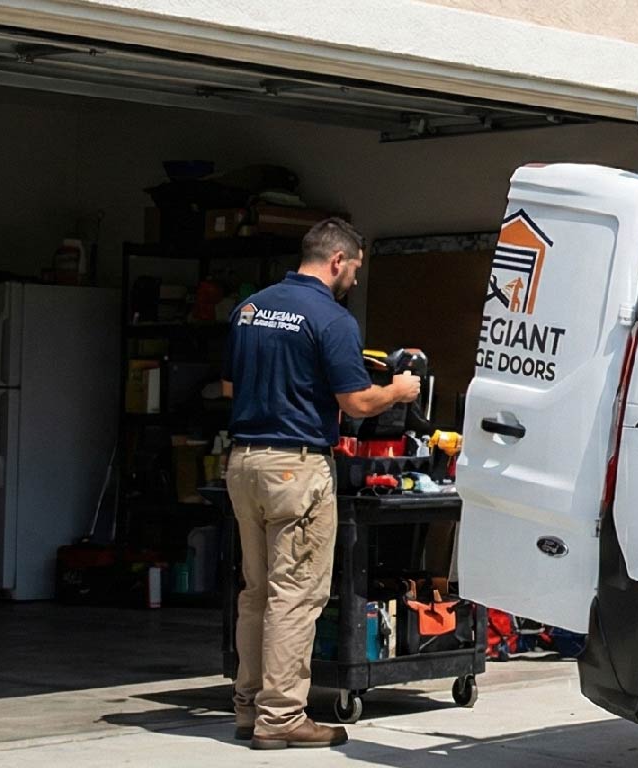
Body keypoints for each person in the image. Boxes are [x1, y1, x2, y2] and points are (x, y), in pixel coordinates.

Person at [222, 217, 420, 750]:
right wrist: (398, 391)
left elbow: (229, 386)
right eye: (354, 268)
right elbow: (355, 402)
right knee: (295, 596)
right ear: (337, 260)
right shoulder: (331, 318)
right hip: (297, 467)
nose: (354, 279)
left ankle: (248, 707)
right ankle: (282, 717)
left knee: (257, 593)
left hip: (244, 463)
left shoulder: (251, 308)